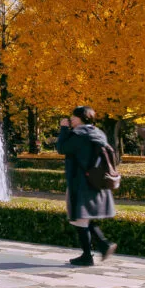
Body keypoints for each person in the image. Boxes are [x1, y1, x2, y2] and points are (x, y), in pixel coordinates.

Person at [56, 106, 117, 267]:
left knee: (79, 218)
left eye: (74, 117)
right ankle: (102, 246)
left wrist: (63, 129)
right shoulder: (98, 133)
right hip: (96, 180)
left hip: (80, 181)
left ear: (81, 118)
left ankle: (89, 254)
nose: (71, 119)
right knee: (84, 217)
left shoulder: (79, 134)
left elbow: (61, 148)